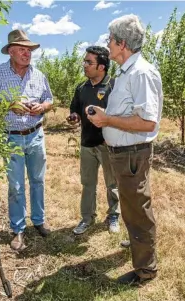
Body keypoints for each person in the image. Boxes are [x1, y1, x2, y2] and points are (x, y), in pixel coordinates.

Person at [87, 14, 163, 285]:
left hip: (132, 153)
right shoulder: (127, 72)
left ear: (121, 43)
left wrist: (106, 120)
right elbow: (129, 113)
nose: (107, 45)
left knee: (138, 209)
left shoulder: (141, 73)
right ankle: (138, 247)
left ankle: (145, 271)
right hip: (124, 153)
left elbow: (147, 122)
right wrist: (107, 116)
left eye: (110, 40)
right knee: (131, 206)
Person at [0, 29, 52, 251]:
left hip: (35, 134)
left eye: (29, 49)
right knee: (17, 185)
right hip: (11, 137)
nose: (27, 53)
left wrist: (42, 107)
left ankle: (39, 221)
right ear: (10, 51)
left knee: (38, 180)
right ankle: (18, 229)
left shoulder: (39, 75)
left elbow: (49, 99)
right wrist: (9, 105)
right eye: (22, 49)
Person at [66, 46, 120, 235]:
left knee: (112, 183)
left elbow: (121, 115)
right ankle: (87, 218)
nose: (85, 65)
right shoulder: (81, 88)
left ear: (102, 67)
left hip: (108, 144)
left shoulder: (114, 87)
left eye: (89, 62)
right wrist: (74, 116)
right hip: (87, 143)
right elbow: (75, 109)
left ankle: (114, 215)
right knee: (88, 183)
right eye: (85, 61)